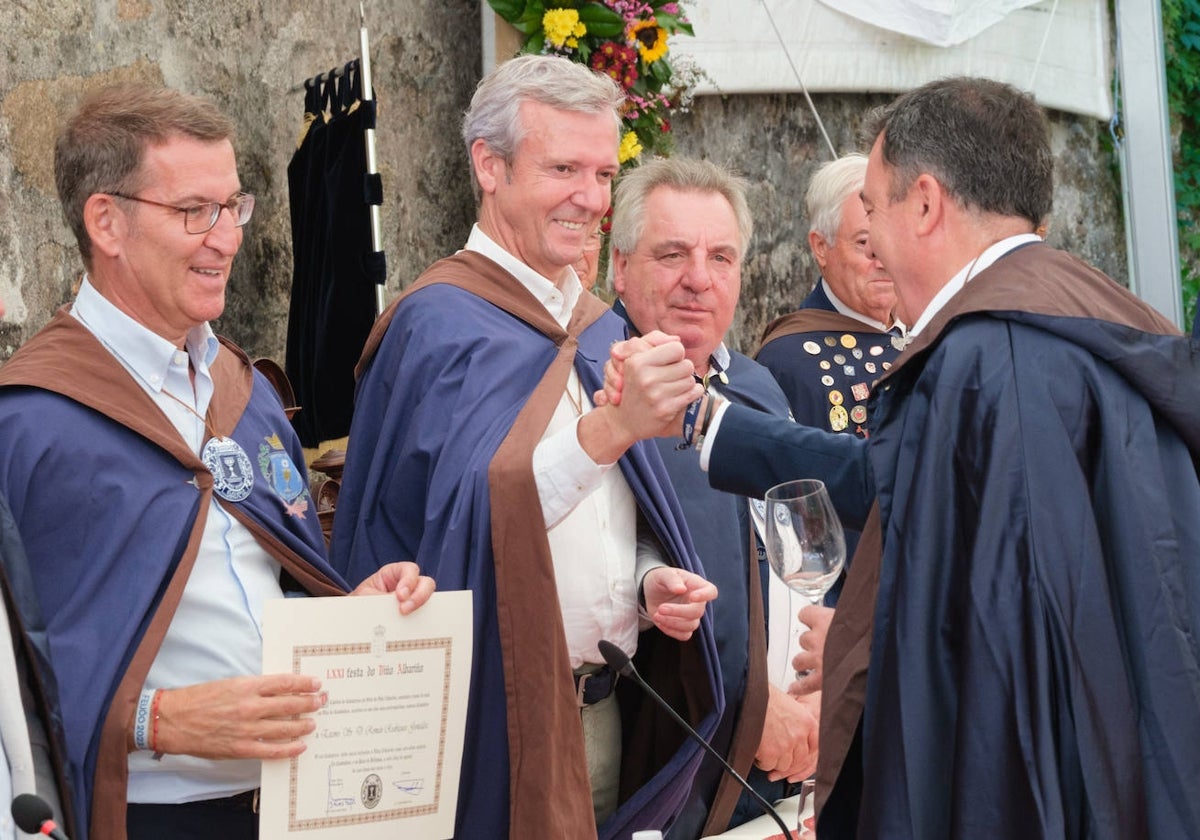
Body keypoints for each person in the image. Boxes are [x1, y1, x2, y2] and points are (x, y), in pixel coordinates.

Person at [608, 76, 1200, 839]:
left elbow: (1009, 636)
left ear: (925, 204)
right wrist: (705, 422)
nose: (876, 243)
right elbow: (935, 500)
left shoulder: (989, 360)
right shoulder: (1085, 312)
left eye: (876, 207)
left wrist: (865, 641)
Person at [0, 85, 435, 840]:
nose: (227, 237)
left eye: (233, 205)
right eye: (193, 210)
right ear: (106, 221)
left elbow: (258, 577)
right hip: (142, 817)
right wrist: (153, 719)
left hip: (300, 805)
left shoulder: (245, 391)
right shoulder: (26, 419)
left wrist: (345, 613)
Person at [330, 56, 723, 840]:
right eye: (564, 168)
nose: (592, 198)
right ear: (490, 166)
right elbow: (461, 526)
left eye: (605, 172)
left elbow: (607, 511)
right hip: (486, 722)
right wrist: (610, 431)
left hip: (604, 707)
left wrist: (646, 579)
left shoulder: (599, 324)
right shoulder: (437, 325)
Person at [608, 157, 818, 836]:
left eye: (721, 257)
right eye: (672, 254)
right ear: (618, 267)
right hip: (669, 762)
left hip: (790, 761)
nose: (699, 278)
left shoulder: (759, 388)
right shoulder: (598, 392)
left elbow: (806, 556)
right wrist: (759, 709)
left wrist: (821, 687)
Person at [756, 154, 903, 442]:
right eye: (864, 242)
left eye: (893, 238)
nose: (884, 258)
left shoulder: (927, 327)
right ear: (821, 247)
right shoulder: (789, 360)